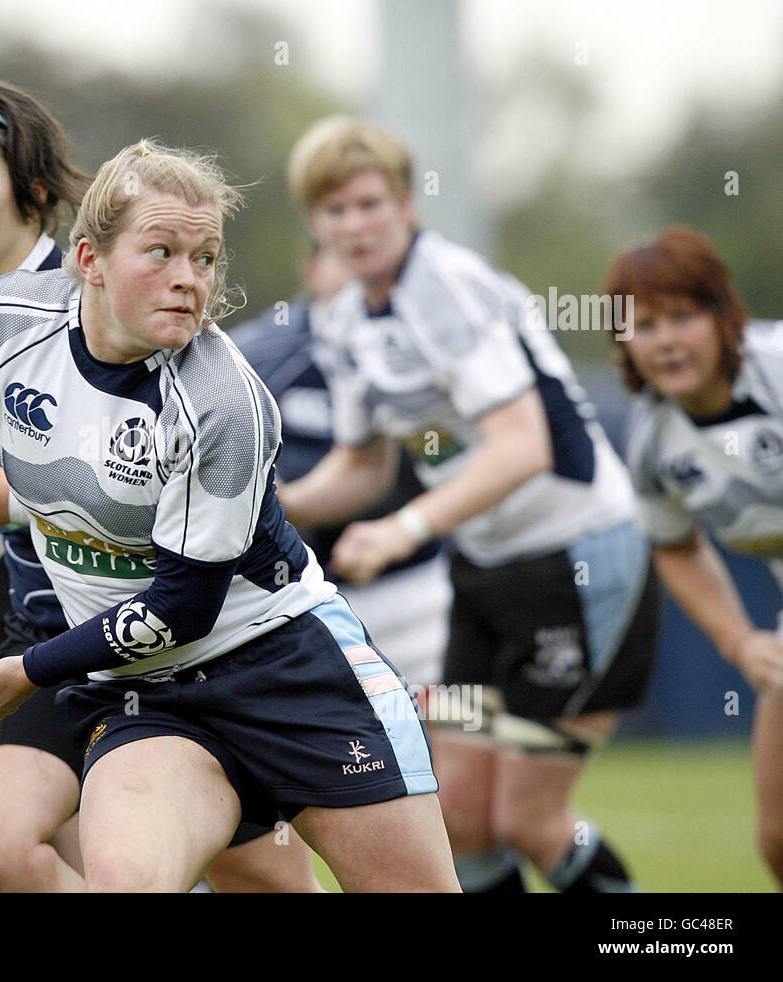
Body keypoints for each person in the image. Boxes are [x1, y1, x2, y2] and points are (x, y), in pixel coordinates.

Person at [0, 139, 459, 893]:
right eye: (160, 252)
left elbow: (182, 609)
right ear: (89, 258)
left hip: (285, 667)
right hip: (146, 693)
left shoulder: (225, 403)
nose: (189, 280)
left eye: (206, 257)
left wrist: (27, 672)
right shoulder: (1, 324)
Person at [279, 117, 660, 893]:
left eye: (368, 204)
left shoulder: (444, 287)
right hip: (485, 576)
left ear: (406, 205)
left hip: (579, 559)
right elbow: (361, 466)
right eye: (334, 211)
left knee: (528, 819)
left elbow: (525, 446)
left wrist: (404, 527)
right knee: (459, 818)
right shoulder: (347, 316)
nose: (353, 226)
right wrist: (262, 507)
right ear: (314, 223)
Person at [606, 226, 783, 885]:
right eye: (646, 324)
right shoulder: (653, 435)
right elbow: (675, 547)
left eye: (684, 315)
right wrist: (741, 643)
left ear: (723, 315)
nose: (668, 339)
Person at [228, 242, 451, 694]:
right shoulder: (253, 357)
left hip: (412, 584)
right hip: (294, 594)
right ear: (311, 268)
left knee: (436, 748)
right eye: (343, 256)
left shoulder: (422, 347)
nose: (359, 271)